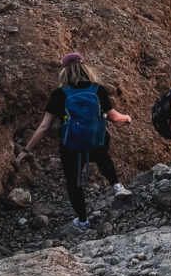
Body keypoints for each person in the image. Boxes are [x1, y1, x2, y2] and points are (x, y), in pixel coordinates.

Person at [16, 53, 132, 230]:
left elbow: (44, 127)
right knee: (102, 155)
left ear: (64, 72)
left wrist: (27, 149)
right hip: (96, 140)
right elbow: (113, 117)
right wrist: (127, 117)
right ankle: (116, 186)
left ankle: (83, 221)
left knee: (74, 182)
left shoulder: (60, 93)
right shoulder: (97, 89)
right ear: (85, 68)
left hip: (71, 146)